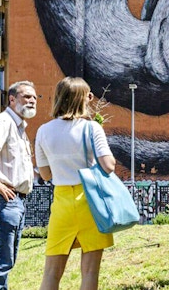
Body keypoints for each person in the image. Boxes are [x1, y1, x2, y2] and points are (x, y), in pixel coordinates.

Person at [35, 76, 116, 290]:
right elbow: (109, 166)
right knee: (90, 271)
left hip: (62, 201)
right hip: (91, 201)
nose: (91, 98)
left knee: (51, 272)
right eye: (89, 95)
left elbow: (45, 175)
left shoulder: (43, 130)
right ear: (82, 98)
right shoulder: (91, 129)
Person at [0, 80, 38, 290]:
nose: (31, 100)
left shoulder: (18, 127)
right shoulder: (4, 121)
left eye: (34, 97)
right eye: (26, 96)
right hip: (1, 200)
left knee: (6, 261)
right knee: (0, 263)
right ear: (12, 99)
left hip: (14, 201)